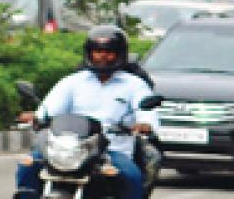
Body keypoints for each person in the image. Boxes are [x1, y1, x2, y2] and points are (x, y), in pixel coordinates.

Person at [15, 24, 153, 199]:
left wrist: (144, 124)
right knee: (28, 164)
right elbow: (49, 109)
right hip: (69, 149)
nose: (103, 56)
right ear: (89, 53)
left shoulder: (134, 84)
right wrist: (36, 116)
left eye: (109, 52)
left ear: (120, 54)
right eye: (98, 51)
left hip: (112, 150)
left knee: (130, 175)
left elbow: (146, 111)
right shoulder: (72, 82)